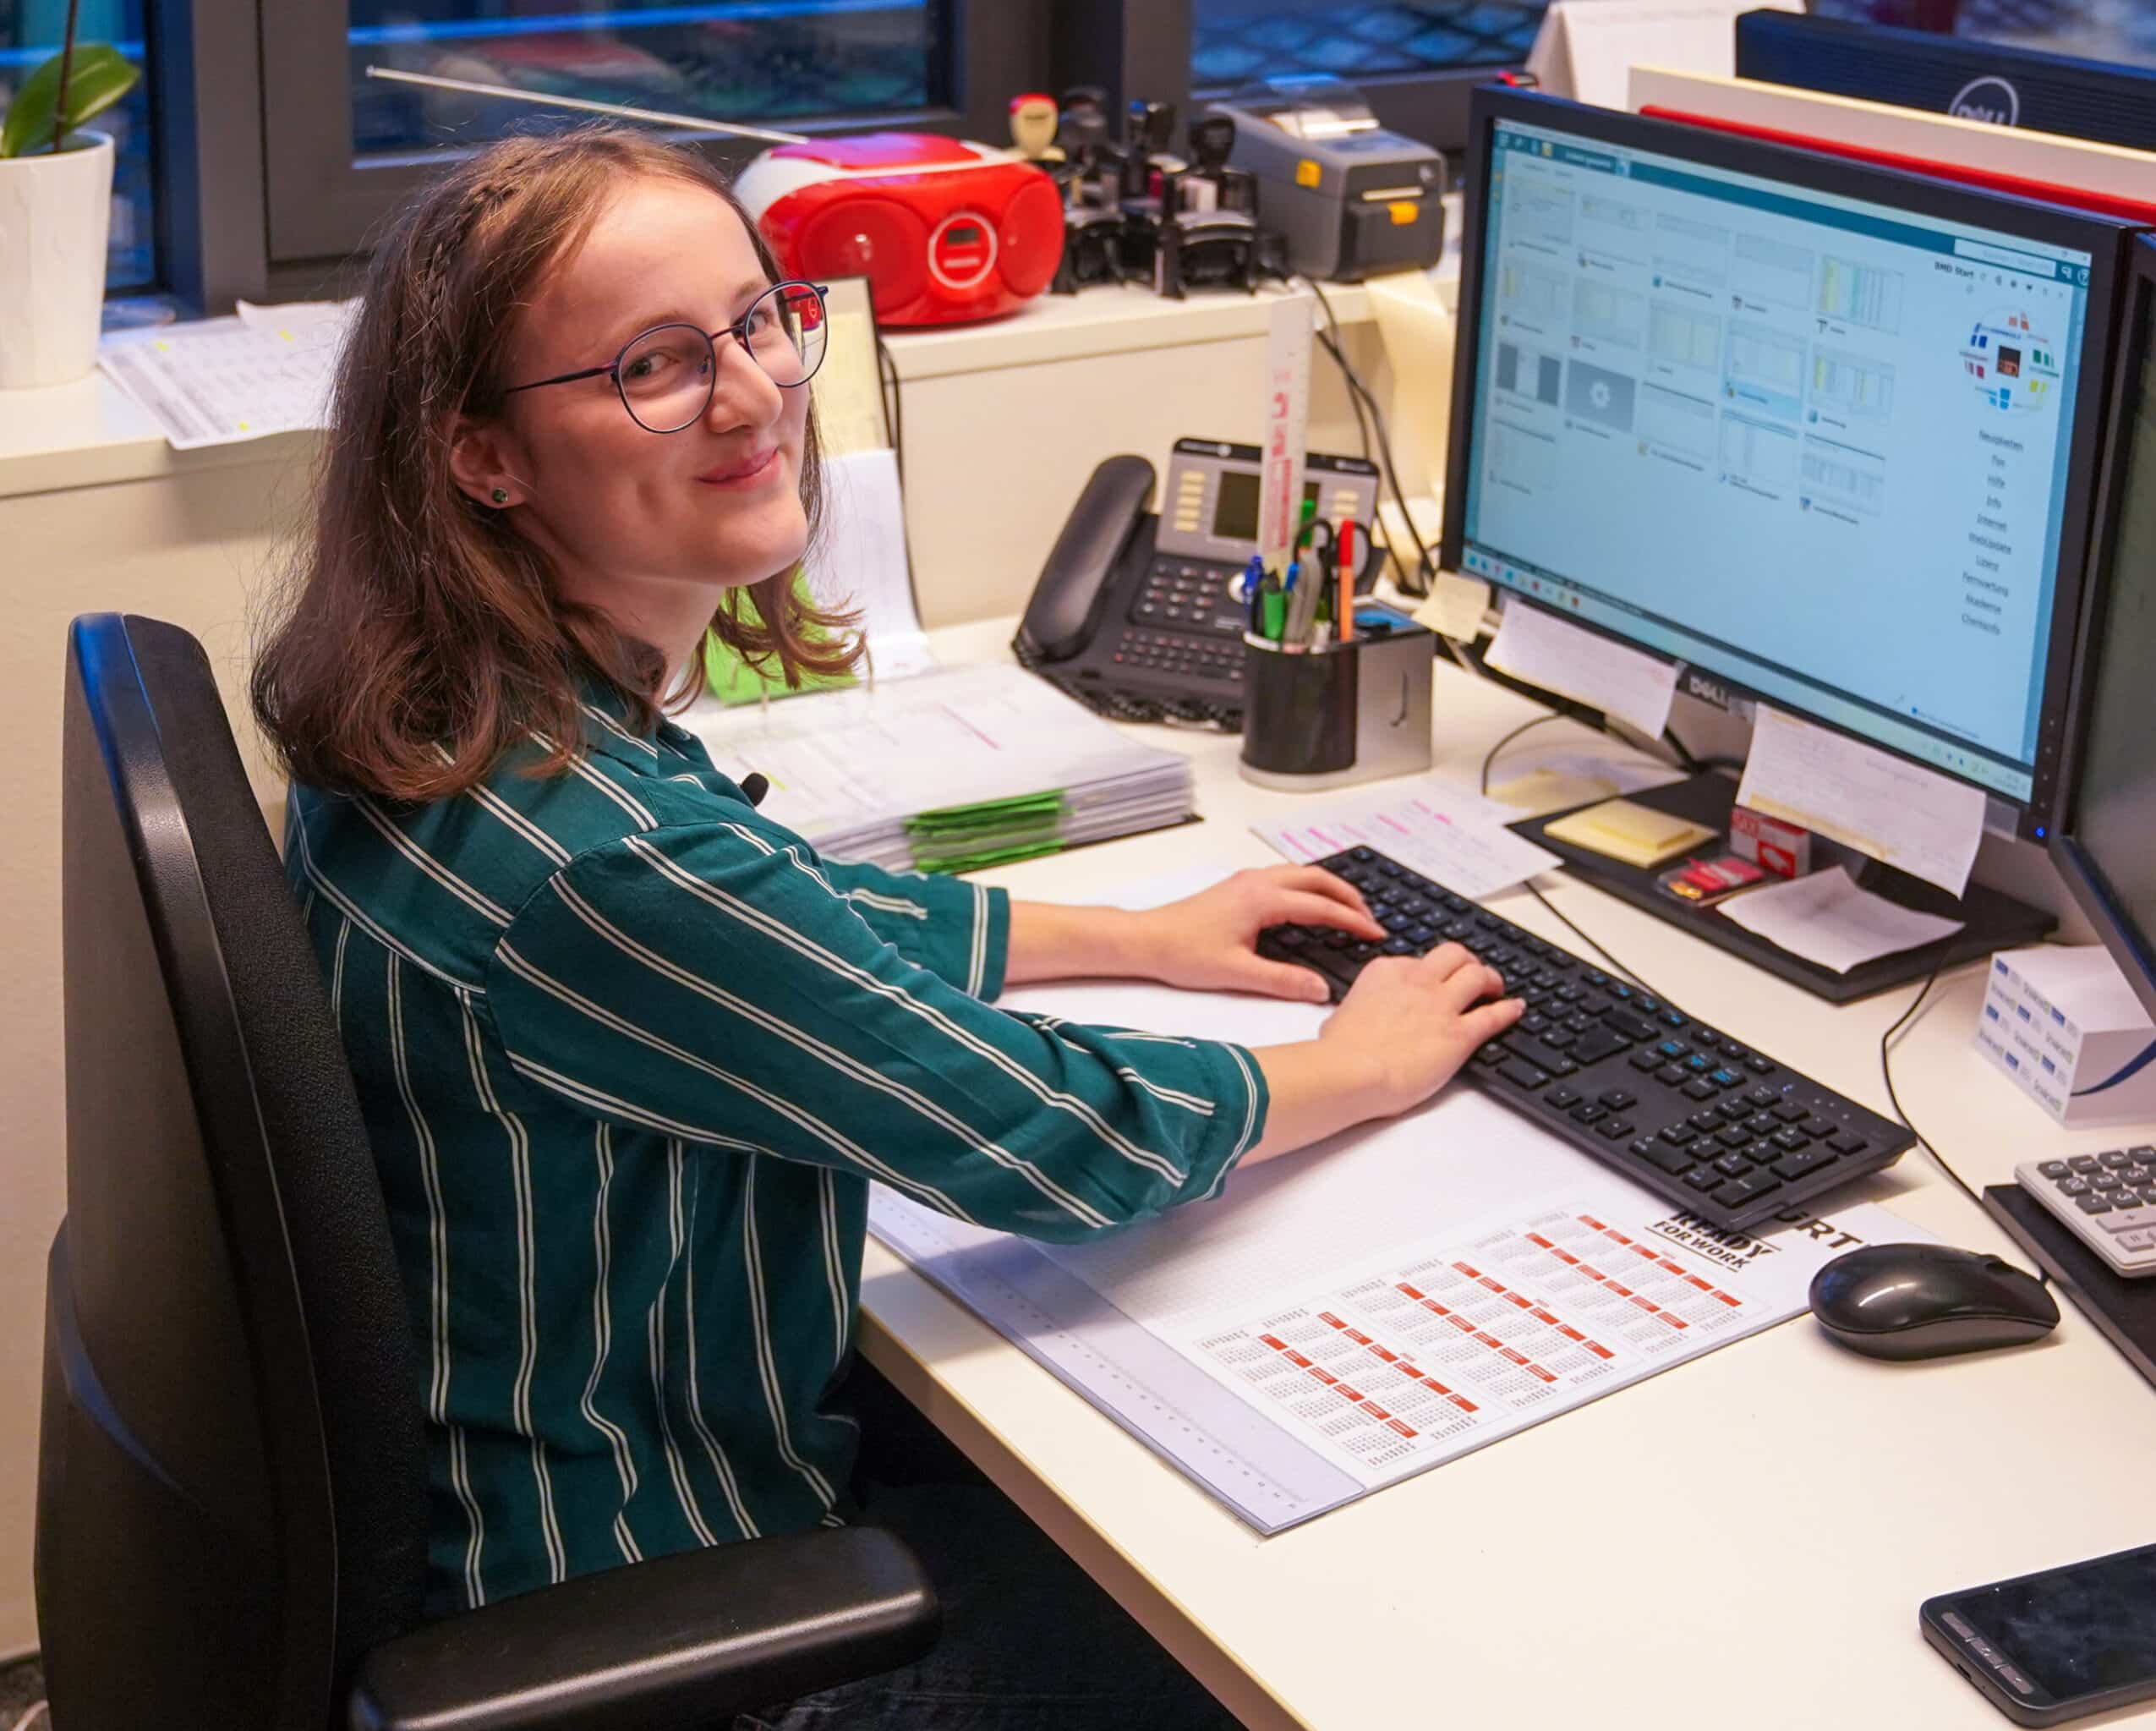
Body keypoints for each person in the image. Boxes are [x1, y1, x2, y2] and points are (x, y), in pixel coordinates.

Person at [250, 127, 1521, 1729]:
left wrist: (1134, 931)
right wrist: (1352, 1065)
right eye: (651, 364)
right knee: (1321, 1644)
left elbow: (797, 927)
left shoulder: (450, 731)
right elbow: (1055, 1139)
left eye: (759, 320)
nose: (750, 392)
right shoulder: (611, 867)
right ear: (482, 455)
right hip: (669, 1606)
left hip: (517, 1503)